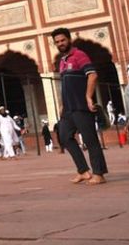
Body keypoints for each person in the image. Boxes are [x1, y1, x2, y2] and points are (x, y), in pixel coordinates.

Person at [52, 27, 107, 184]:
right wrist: (62, 104)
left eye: (63, 40)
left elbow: (92, 74)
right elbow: (66, 85)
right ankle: (83, 170)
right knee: (64, 137)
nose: (60, 43)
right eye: (57, 42)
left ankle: (99, 173)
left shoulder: (79, 55)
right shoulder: (63, 61)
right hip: (68, 108)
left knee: (90, 140)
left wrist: (88, 97)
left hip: (81, 105)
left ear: (69, 39)